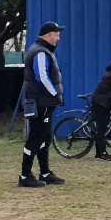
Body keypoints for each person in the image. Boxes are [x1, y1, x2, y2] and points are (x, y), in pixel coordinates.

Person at [19, 21, 67, 188]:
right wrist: (54, 93)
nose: (58, 38)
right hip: (42, 102)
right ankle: (25, 175)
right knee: (35, 137)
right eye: (56, 34)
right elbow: (42, 77)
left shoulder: (44, 50)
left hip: (45, 102)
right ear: (48, 35)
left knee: (44, 137)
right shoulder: (40, 52)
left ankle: (45, 172)